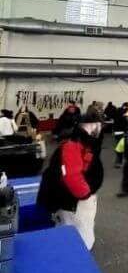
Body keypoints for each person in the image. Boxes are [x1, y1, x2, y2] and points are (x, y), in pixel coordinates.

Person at [37, 106, 105, 250]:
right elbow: (71, 176)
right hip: (75, 201)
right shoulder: (73, 145)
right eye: (97, 126)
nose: (99, 129)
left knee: (72, 229)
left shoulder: (84, 141)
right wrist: (85, 194)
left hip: (75, 199)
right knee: (79, 233)